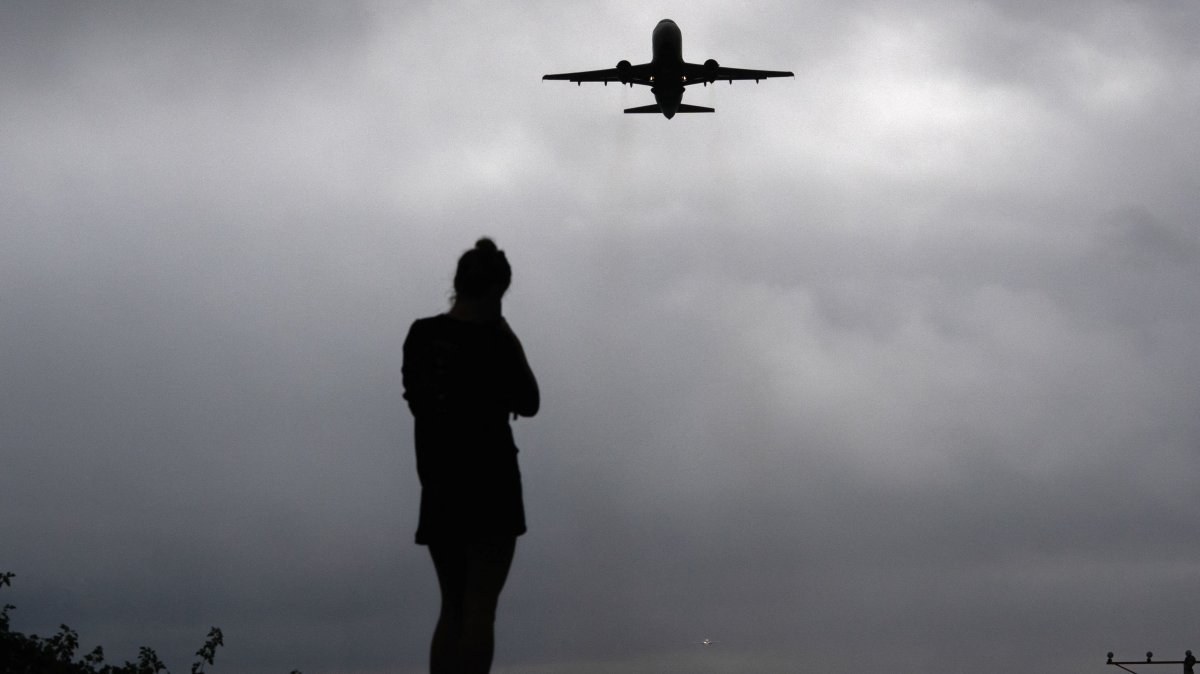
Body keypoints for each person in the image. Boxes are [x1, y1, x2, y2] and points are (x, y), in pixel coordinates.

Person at [402, 238, 540, 674]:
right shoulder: (495, 342)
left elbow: (420, 401)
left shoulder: (422, 336)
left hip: (440, 484)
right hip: (492, 483)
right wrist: (504, 331)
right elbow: (530, 400)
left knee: (453, 606)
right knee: (481, 610)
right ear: (497, 292)